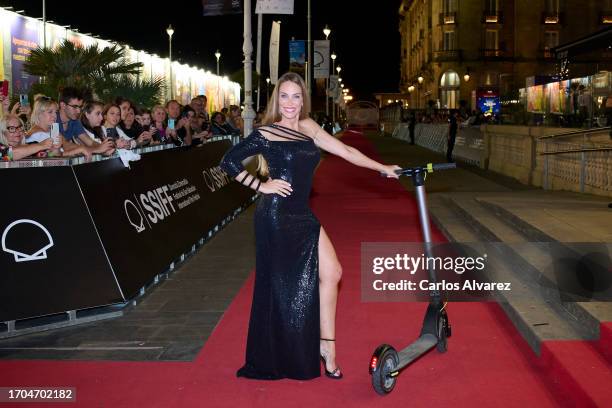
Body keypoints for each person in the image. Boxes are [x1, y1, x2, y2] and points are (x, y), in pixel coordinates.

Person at [219, 72, 400, 381]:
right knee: (280, 286)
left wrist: (381, 167)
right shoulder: (267, 132)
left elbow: (346, 152)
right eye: (285, 96)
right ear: (278, 99)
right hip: (275, 216)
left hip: (302, 212)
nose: (290, 103)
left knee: (333, 273)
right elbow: (229, 161)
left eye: (296, 96)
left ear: (303, 100)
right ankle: (282, 353)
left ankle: (326, 346)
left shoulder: (310, 128)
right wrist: (261, 186)